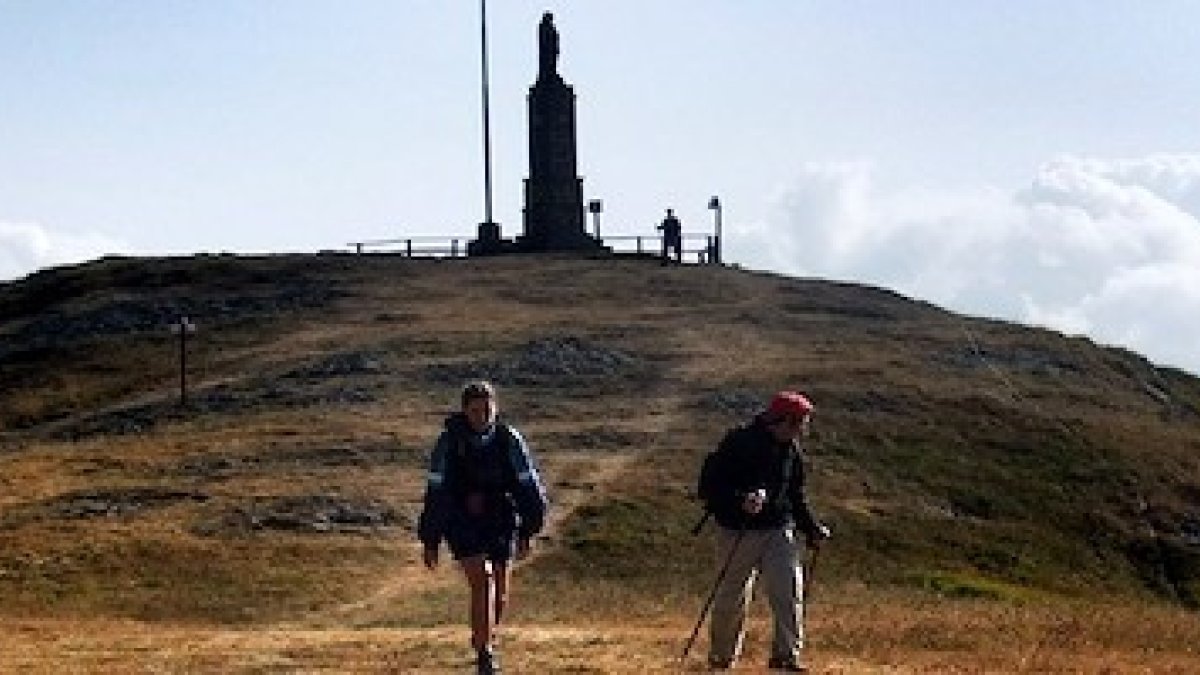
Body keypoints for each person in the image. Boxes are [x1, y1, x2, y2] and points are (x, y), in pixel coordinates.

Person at [418, 381, 549, 675]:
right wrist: (430, 538)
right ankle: (484, 653)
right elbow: (436, 490)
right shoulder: (449, 442)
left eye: (486, 409)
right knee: (483, 580)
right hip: (461, 519)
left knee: (500, 590)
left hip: (500, 517)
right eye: (474, 410)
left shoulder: (509, 440)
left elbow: (528, 484)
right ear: (464, 411)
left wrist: (529, 528)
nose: (481, 416)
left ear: (495, 409)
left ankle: (487, 639)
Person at [697, 391, 831, 672]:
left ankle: (786, 657)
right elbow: (710, 487)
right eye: (798, 424)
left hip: (778, 529)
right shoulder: (739, 443)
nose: (801, 431)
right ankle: (721, 657)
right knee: (732, 595)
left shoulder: (791, 451)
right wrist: (740, 500)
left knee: (788, 590)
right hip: (738, 531)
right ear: (780, 420)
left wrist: (811, 528)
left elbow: (795, 495)